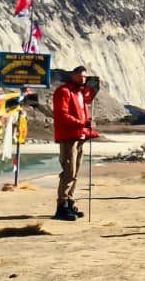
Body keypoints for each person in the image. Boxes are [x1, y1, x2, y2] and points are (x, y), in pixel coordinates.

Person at [51, 66, 98, 221]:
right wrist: (81, 123)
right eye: (80, 76)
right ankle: (61, 205)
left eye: (84, 77)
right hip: (68, 136)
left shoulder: (79, 94)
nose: (83, 79)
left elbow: (83, 115)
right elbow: (61, 115)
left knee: (75, 172)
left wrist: (87, 127)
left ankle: (70, 201)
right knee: (69, 171)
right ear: (73, 76)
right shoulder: (64, 92)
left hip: (80, 136)